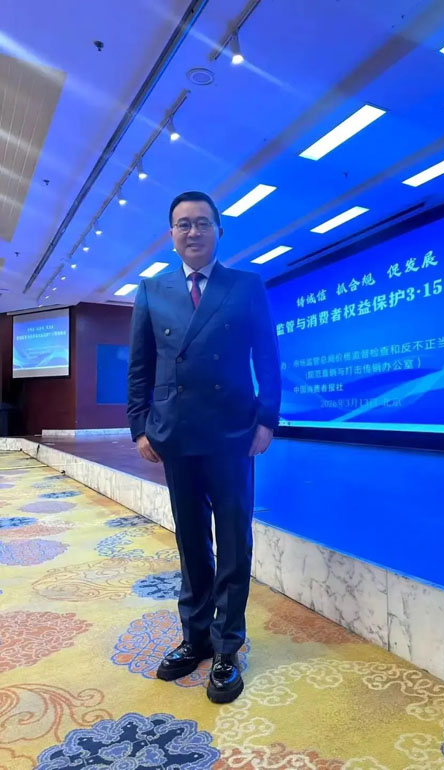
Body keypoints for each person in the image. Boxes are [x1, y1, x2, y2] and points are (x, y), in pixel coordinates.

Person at [127, 191, 281, 703]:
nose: (192, 232)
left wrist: (267, 420)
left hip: (233, 431)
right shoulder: (152, 289)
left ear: (219, 230)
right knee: (191, 540)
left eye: (201, 223)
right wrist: (139, 426)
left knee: (233, 540)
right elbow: (141, 365)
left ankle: (227, 647)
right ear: (171, 235)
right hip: (176, 432)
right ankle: (194, 638)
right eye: (182, 224)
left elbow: (267, 357)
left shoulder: (246, 285)